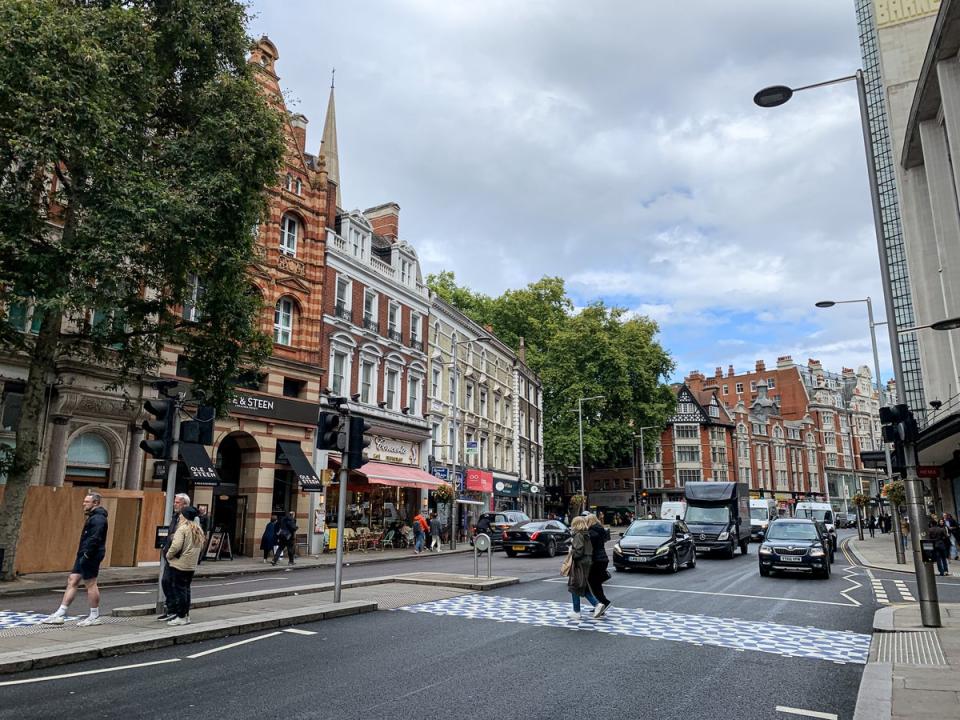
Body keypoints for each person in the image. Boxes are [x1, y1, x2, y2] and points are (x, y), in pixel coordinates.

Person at [43, 492, 109, 626]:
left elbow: (95, 538)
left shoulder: (98, 519)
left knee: (90, 583)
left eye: (87, 502)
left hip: (90, 554)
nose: (84, 504)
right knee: (72, 580)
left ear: (95, 503)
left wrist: (87, 555)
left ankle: (94, 616)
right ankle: (60, 614)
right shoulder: (93, 517)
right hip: (83, 553)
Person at [164, 506, 204, 626]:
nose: (180, 516)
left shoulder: (183, 529)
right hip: (190, 565)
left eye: (182, 515)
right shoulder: (198, 530)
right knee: (186, 590)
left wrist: (168, 555)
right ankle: (186, 615)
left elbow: (176, 546)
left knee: (179, 590)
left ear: (185, 516)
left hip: (180, 564)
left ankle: (181, 616)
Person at [567, 516, 598, 620]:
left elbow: (578, 552)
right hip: (586, 562)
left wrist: (571, 551)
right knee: (581, 585)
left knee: (575, 585)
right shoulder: (586, 535)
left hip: (580, 563)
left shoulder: (578, 535)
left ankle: (577, 611)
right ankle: (597, 605)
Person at [585, 514, 612, 618]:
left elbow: (590, 548)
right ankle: (600, 604)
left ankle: (604, 602)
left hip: (596, 560)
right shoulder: (600, 530)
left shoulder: (592, 532)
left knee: (594, 583)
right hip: (602, 558)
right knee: (596, 583)